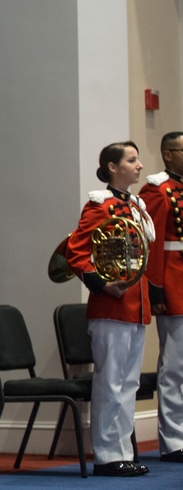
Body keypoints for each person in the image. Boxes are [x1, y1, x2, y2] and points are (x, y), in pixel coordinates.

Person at [66, 141, 155, 477]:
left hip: (136, 304)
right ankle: (105, 455)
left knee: (128, 384)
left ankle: (122, 450)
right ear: (112, 167)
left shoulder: (136, 205)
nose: (139, 165)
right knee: (110, 383)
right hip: (111, 306)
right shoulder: (99, 206)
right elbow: (75, 252)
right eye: (131, 160)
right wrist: (102, 284)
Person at [138, 132, 183, 463]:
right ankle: (174, 440)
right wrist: (155, 288)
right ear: (168, 155)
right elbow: (151, 245)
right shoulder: (158, 189)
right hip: (174, 283)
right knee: (175, 368)